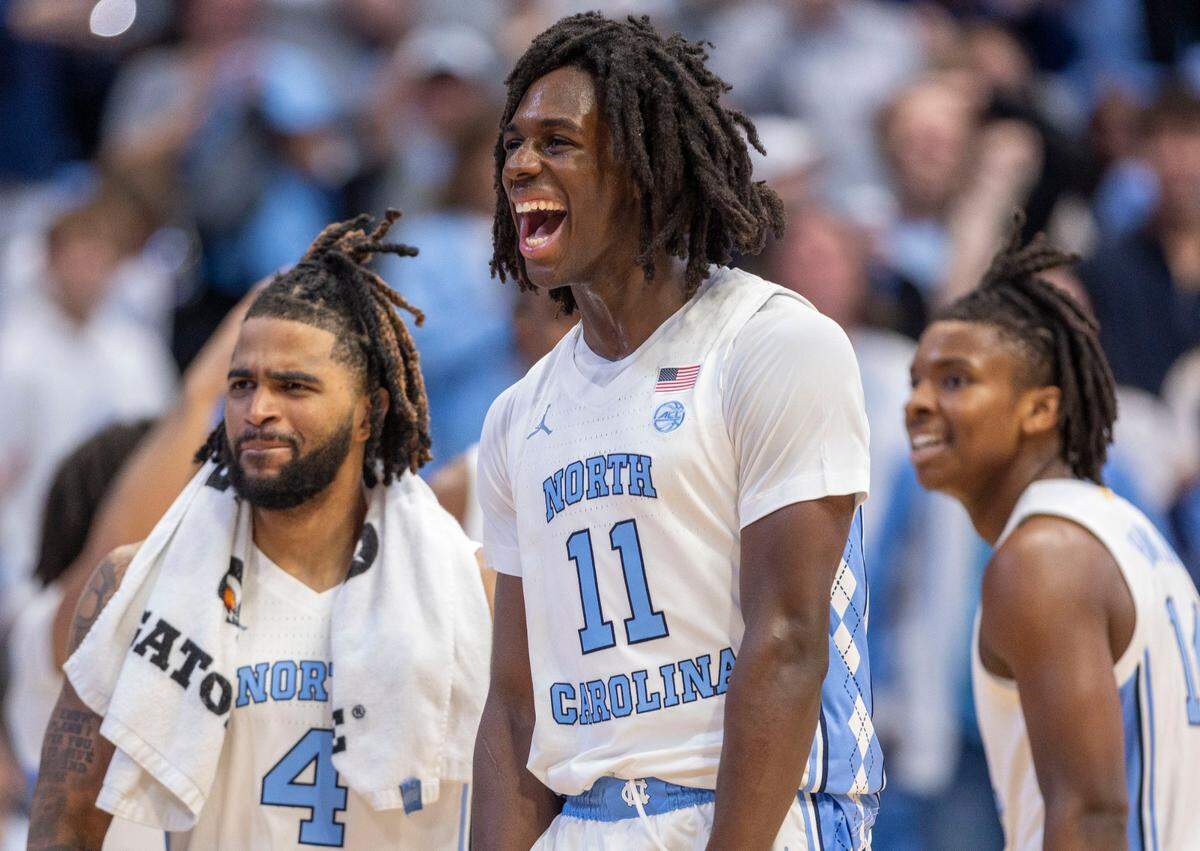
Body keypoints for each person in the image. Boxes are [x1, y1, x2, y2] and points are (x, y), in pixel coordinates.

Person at [473, 13, 880, 850]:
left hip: (760, 810)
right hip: (587, 817)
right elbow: (516, 706)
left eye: (557, 141)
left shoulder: (772, 343)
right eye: (513, 142)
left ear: (639, 168)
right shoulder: (519, 414)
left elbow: (788, 641)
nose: (520, 165)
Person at [28, 212, 491, 849]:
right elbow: (66, 829)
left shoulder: (472, 587)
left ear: (370, 412)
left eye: (293, 385)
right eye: (242, 384)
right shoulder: (135, 586)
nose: (257, 409)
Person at [905, 217, 1200, 850]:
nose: (919, 403)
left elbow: (1092, 817)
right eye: (917, 381)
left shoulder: (1045, 553)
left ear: (1041, 408)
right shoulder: (1118, 526)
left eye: (954, 380)